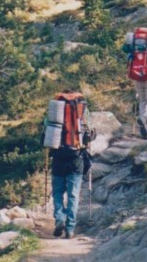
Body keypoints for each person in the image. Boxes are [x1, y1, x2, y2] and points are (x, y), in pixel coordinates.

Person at [47, 90, 93, 239]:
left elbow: (45, 134)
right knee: (73, 195)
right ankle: (70, 228)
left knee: (58, 192)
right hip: (76, 158)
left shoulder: (55, 111)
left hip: (58, 158)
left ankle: (60, 218)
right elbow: (90, 133)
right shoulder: (83, 111)